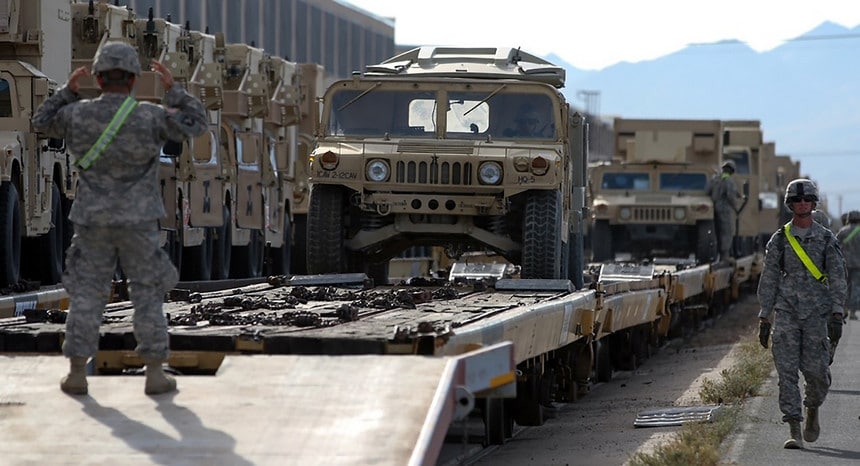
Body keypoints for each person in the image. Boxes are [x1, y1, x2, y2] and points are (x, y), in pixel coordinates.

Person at [32, 41, 207, 395]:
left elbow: (40, 121)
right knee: (147, 293)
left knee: (87, 295)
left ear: (97, 78)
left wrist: (66, 92)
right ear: (132, 80)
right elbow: (196, 124)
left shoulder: (77, 114)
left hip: (92, 220)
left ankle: (78, 373)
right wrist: (174, 90)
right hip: (139, 221)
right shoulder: (151, 116)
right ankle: (155, 373)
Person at [757, 178, 847, 450]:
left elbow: (837, 277)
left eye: (807, 200)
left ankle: (813, 409)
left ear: (813, 203)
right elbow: (769, 278)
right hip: (786, 312)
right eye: (797, 200)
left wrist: (837, 313)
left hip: (817, 315)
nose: (802, 204)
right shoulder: (780, 240)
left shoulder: (826, 238)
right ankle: (794, 427)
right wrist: (764, 315)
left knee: (817, 372)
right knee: (786, 373)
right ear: (790, 204)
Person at [705, 160, 742, 261]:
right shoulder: (729, 181)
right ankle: (724, 256)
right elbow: (730, 196)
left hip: (714, 208)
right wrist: (736, 208)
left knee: (716, 231)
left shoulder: (714, 179)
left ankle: (714, 255)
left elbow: (707, 191)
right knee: (726, 232)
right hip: (724, 209)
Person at [836, 210, 860, 320]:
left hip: (843, 263)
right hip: (858, 265)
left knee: (844, 286)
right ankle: (853, 312)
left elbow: (835, 246)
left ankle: (844, 307)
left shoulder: (842, 231)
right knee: (855, 288)